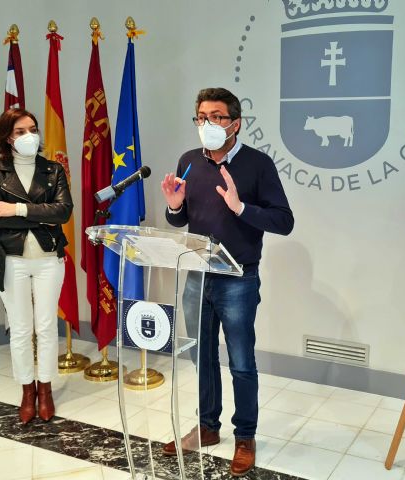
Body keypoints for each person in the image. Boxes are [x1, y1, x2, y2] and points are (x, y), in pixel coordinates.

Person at [161, 88, 294, 476]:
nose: (207, 124)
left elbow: (283, 221)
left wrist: (241, 207)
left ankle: (245, 437)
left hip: (238, 278)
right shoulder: (189, 161)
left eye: (216, 116)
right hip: (197, 274)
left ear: (236, 123)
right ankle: (207, 426)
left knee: (240, 362)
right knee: (200, 356)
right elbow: (180, 219)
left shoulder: (257, 164)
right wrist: (173, 206)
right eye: (201, 117)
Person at [0, 108, 73, 424]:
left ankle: (45, 390)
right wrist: (40, 213)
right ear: (8, 137)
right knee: (20, 329)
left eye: (32, 129)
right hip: (11, 259)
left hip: (48, 259)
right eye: (20, 131)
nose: (29, 136)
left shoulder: (53, 170)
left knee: (46, 327)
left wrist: (16, 209)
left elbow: (63, 212)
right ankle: (26, 391)